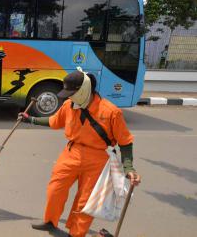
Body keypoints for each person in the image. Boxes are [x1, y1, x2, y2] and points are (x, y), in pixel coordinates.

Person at [20, 69, 141, 237]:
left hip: (97, 158)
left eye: (72, 93)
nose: (69, 97)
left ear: (84, 90)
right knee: (55, 189)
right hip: (71, 152)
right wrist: (30, 119)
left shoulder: (111, 112)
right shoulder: (69, 105)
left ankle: (76, 233)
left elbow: (125, 141)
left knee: (85, 201)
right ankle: (50, 221)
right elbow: (54, 121)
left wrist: (129, 167)